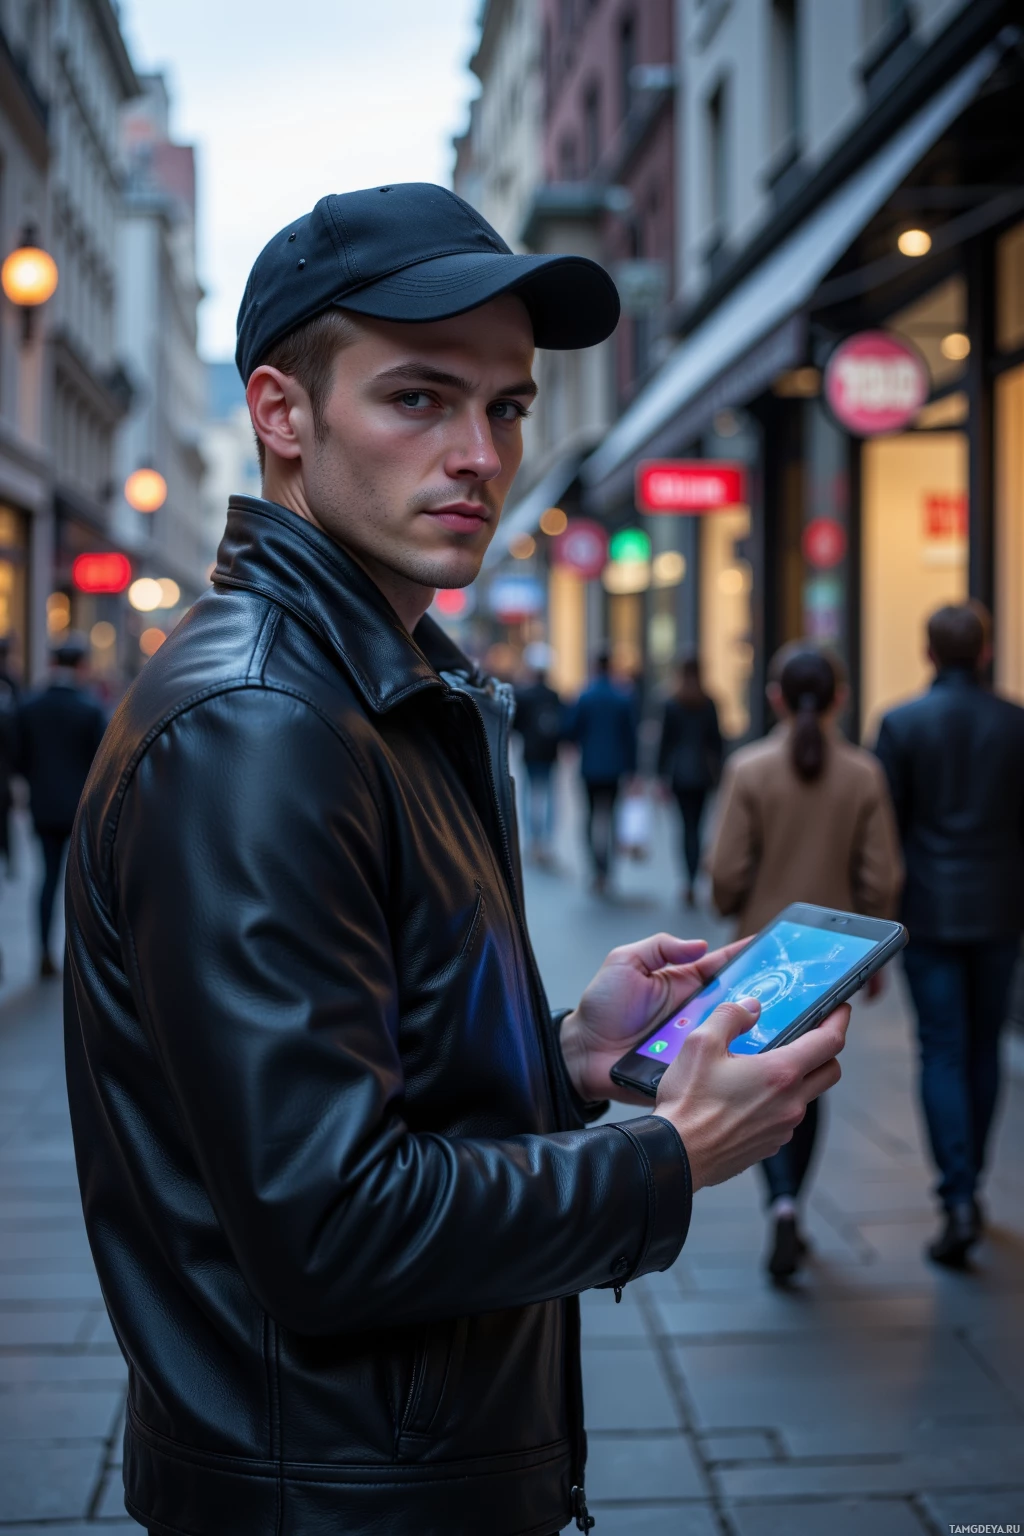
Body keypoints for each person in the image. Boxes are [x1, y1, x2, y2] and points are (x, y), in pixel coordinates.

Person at [64, 183, 850, 1536]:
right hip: (342, 1491)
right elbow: (332, 1229)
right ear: (282, 413)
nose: (481, 453)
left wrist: (565, 1057)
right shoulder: (266, 723)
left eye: (507, 407)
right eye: (418, 399)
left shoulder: (373, 684)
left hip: (379, 1469)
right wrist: (671, 1153)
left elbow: (346, 1097)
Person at [710, 644, 902, 1281]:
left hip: (761, 957)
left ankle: (780, 1204)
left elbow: (726, 875)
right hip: (835, 961)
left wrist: (733, 902)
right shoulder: (863, 774)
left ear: (775, 698)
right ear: (841, 698)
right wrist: (872, 961)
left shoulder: (749, 769)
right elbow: (882, 877)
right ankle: (796, 1203)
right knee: (808, 1084)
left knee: (766, 1074)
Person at [875, 602, 1024, 1268]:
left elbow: (888, 831)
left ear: (928, 654)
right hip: (998, 908)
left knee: (941, 1049)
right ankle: (975, 1182)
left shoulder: (902, 724)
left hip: (929, 908)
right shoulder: (1014, 723)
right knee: (984, 1046)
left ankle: (956, 1194)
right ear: (986, 652)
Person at [17, 635, 106, 978]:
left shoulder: (30, 706)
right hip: (79, 808)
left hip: (42, 805)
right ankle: (76, 956)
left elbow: (20, 757)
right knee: (79, 884)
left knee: (47, 878)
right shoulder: (89, 709)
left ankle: (42, 950)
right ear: (81, 666)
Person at [566, 648, 638, 893]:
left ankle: (595, 866)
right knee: (611, 817)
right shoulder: (622, 696)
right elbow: (631, 736)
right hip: (615, 767)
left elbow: (571, 729)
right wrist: (633, 770)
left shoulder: (586, 696)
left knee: (590, 815)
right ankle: (607, 868)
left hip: (590, 767)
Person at [657, 656, 722, 905]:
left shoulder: (672, 702)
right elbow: (717, 742)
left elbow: (665, 743)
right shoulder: (709, 702)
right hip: (703, 774)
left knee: (685, 828)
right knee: (698, 827)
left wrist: (660, 775)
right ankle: (695, 875)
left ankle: (688, 880)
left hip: (679, 774)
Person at [513, 656, 563, 865]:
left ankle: (533, 842)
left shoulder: (524, 695)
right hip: (550, 753)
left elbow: (515, 724)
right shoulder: (554, 696)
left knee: (528, 794)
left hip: (530, 752)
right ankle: (546, 842)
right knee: (549, 795)